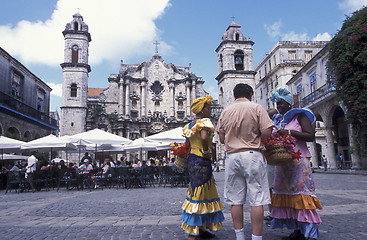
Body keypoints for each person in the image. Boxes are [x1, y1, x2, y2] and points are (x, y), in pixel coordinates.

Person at [217, 83, 273, 240]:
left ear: (235, 95)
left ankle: (239, 236)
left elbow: (221, 139)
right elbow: (267, 133)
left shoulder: (225, 112)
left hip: (232, 157)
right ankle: (256, 238)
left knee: (235, 200)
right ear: (250, 94)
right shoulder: (256, 108)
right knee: (257, 199)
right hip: (252, 154)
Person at [269, 88, 322, 240]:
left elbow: (310, 136)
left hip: (299, 163)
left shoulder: (300, 115)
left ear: (289, 102)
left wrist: (289, 133)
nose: (279, 106)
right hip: (284, 163)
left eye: (281, 103)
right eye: (277, 104)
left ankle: (310, 233)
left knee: (303, 195)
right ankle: (298, 230)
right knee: (290, 196)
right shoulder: (280, 119)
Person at [181, 95, 224, 240]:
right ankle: (193, 232)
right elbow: (205, 137)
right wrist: (206, 152)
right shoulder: (204, 122)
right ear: (202, 110)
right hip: (201, 159)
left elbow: (187, 143)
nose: (210, 110)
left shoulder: (190, 125)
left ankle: (201, 228)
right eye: (208, 108)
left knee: (198, 190)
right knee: (201, 191)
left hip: (193, 159)